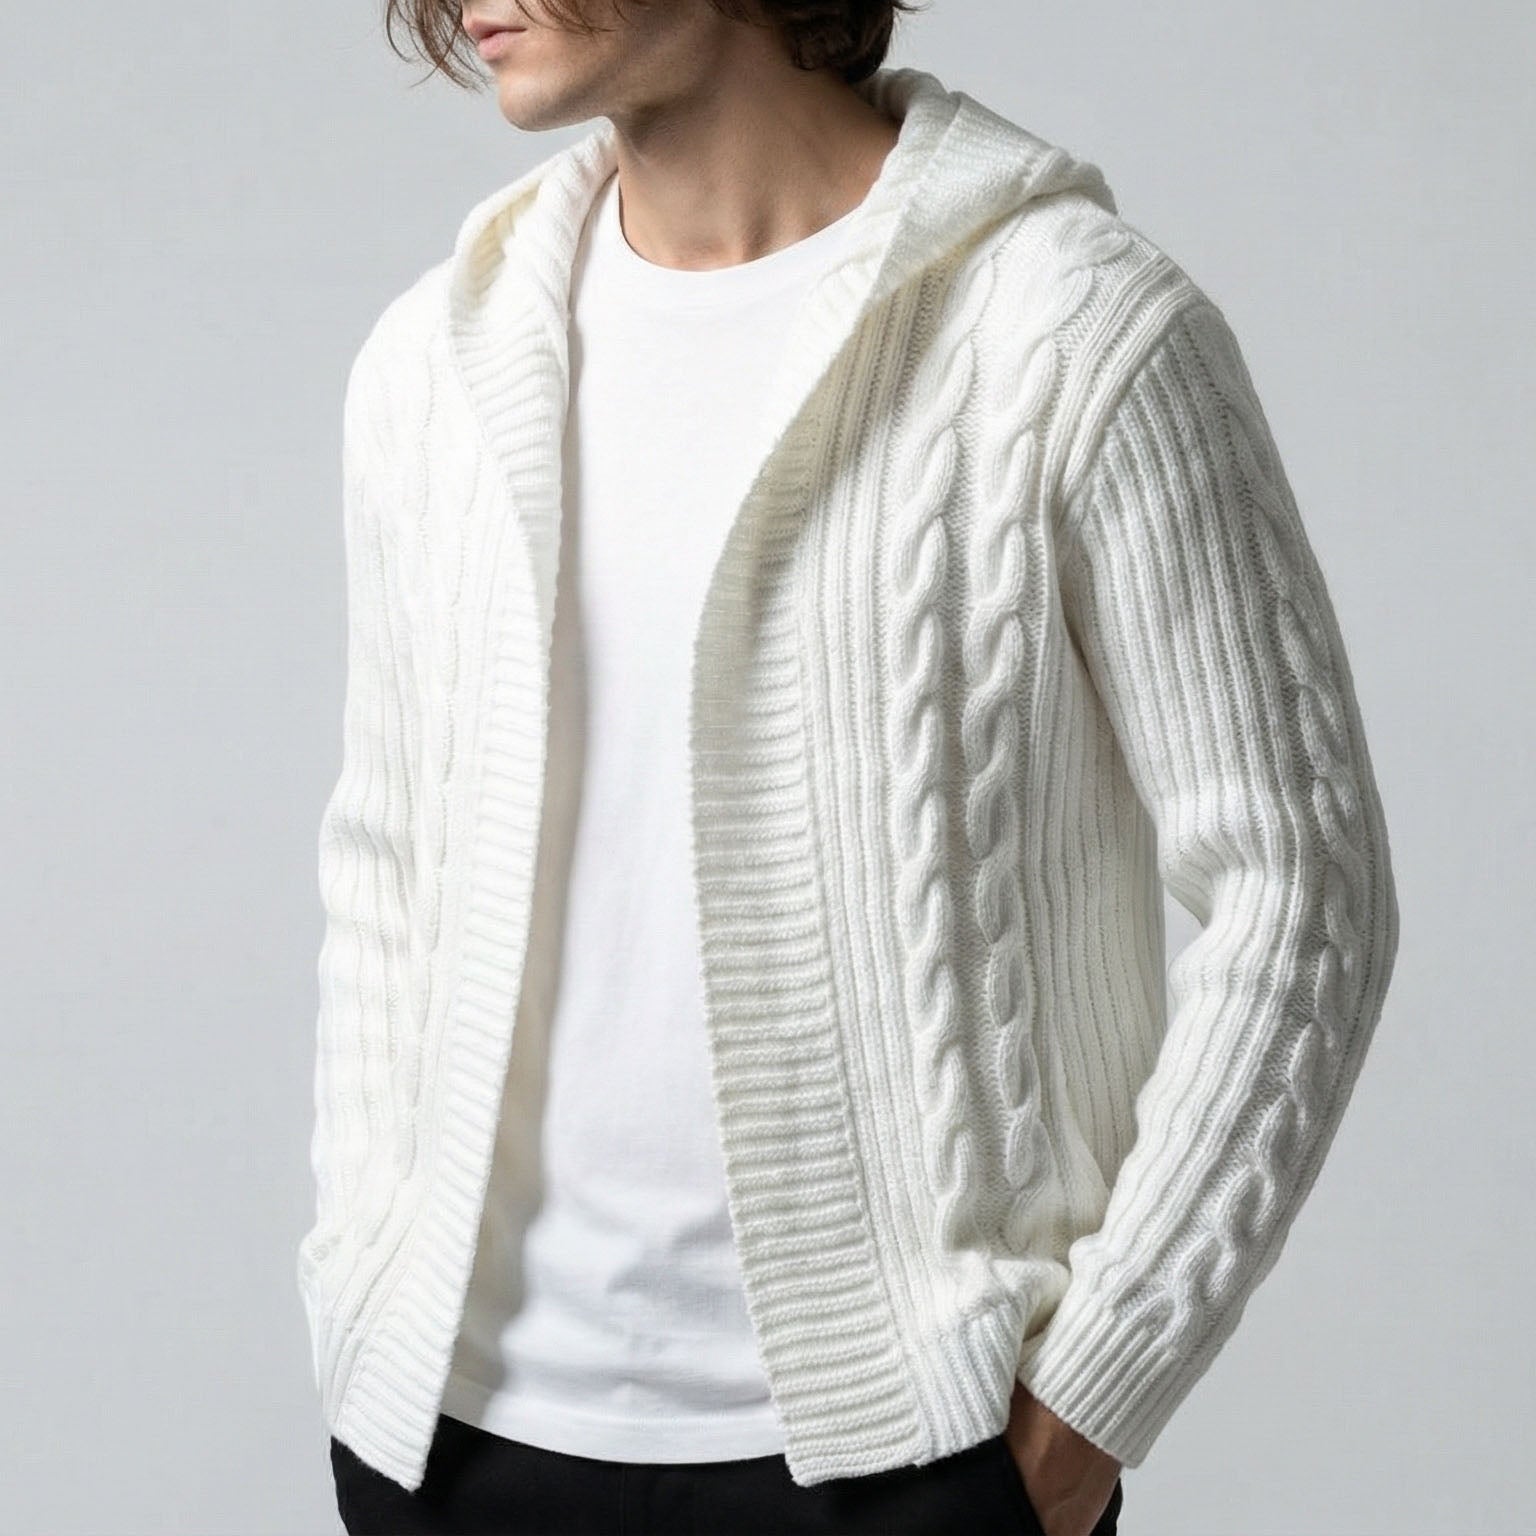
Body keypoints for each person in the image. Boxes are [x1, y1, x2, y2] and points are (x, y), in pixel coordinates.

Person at [297, 1, 1401, 1532]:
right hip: (462, 1442)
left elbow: (1303, 886)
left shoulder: (1074, 327)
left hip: (914, 1455)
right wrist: (361, 1285)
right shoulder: (437, 360)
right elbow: (386, 859)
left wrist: (1097, 1389)